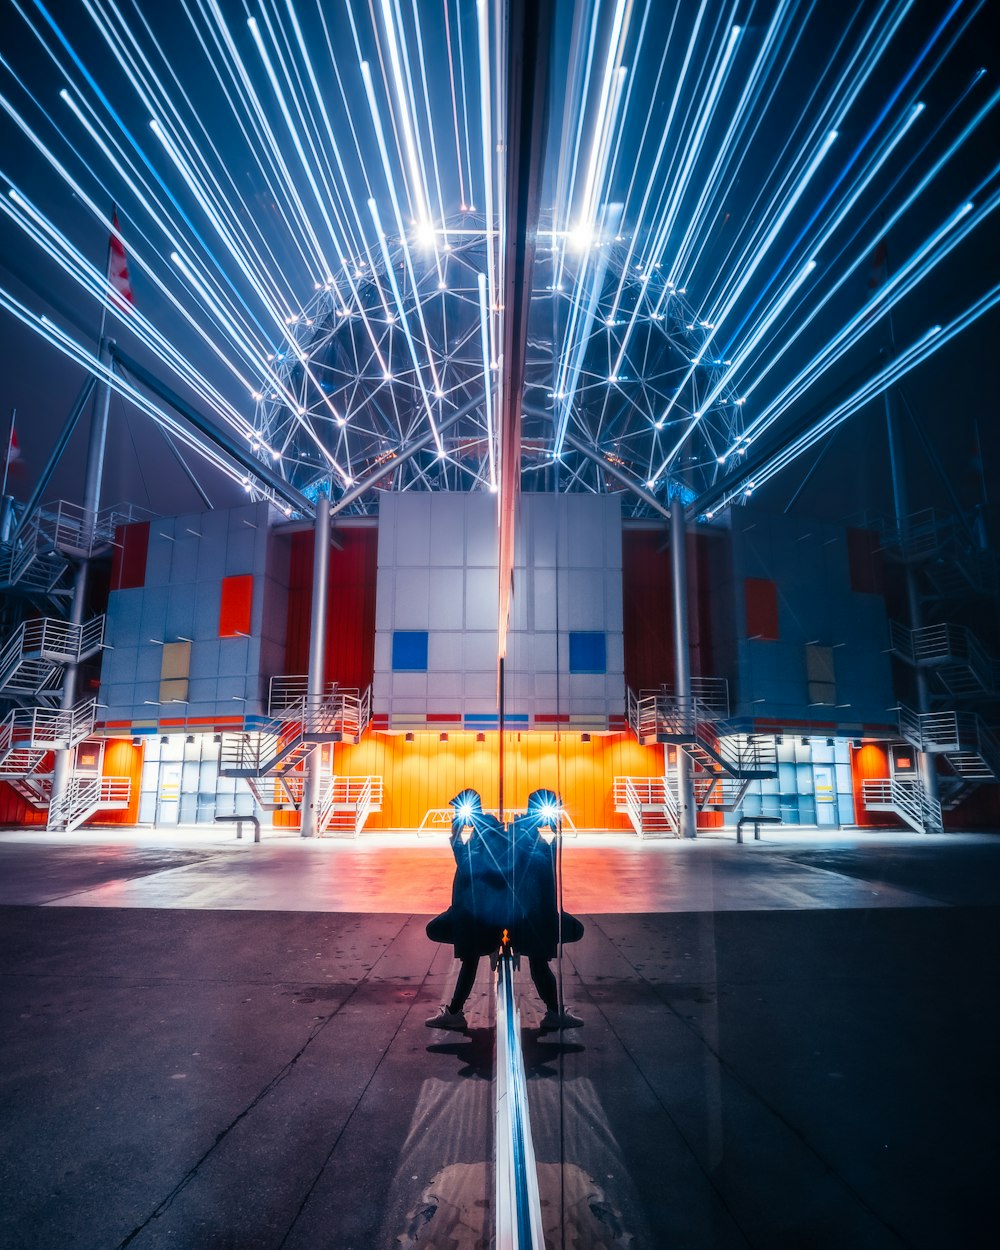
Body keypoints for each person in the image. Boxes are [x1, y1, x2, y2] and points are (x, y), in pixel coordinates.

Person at [425, 788, 584, 1031]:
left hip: (521, 913)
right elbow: (466, 858)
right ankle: (553, 1011)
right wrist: (458, 827)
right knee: (477, 956)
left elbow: (544, 860)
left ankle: (457, 1011)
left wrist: (552, 829)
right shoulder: (487, 842)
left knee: (534, 961)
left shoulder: (522, 840)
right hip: (494, 913)